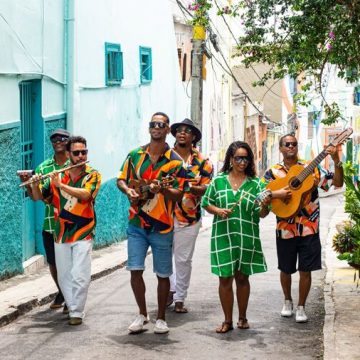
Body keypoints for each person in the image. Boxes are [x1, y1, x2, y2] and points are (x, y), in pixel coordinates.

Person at [117, 112, 187, 334]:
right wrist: (128, 189)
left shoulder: (176, 161)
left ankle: (161, 318)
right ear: (149, 129)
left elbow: (179, 195)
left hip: (162, 224)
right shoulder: (135, 155)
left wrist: (163, 188)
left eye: (161, 124)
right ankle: (142, 314)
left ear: (167, 130)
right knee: (135, 270)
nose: (156, 127)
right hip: (136, 223)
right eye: (153, 124)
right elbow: (121, 179)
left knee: (163, 274)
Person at [262, 133, 343, 323]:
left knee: (305, 270)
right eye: (287, 144)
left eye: (294, 144)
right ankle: (287, 301)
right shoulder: (273, 172)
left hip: (309, 227)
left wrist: (336, 158)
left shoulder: (311, 168)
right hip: (285, 226)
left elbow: (337, 183)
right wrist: (274, 195)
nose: (291, 147)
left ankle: (301, 306)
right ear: (281, 148)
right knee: (286, 269)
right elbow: (264, 196)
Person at [29, 136, 101, 326]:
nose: (80, 156)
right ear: (68, 154)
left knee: (80, 272)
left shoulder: (93, 174)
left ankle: (77, 311)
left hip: (83, 231)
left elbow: (86, 195)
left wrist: (62, 186)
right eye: (76, 153)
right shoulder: (57, 175)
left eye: (83, 152)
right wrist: (34, 183)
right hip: (60, 233)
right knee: (64, 274)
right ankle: (71, 305)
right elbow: (39, 197)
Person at [202, 141, 270, 333]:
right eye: (238, 158)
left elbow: (262, 213)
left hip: (246, 236)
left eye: (246, 158)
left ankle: (242, 318)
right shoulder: (218, 181)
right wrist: (218, 210)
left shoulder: (256, 184)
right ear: (231, 159)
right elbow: (206, 202)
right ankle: (227, 321)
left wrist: (265, 204)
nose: (243, 162)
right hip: (223, 236)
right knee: (224, 278)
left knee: (242, 278)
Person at [20, 128, 70, 311]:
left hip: (72, 223)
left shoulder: (74, 164)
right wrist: (30, 184)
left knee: (70, 264)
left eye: (62, 138)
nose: (58, 141)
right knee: (53, 263)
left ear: (68, 141)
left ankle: (70, 297)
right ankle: (63, 292)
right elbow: (36, 197)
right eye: (54, 139)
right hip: (51, 222)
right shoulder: (43, 167)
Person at [168, 118, 213, 313]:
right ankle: (170, 289)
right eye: (179, 130)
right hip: (162, 214)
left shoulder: (202, 162)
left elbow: (206, 188)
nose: (182, 133)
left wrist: (191, 187)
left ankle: (179, 297)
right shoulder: (165, 157)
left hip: (189, 216)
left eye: (187, 131)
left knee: (183, 259)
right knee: (164, 257)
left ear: (193, 137)